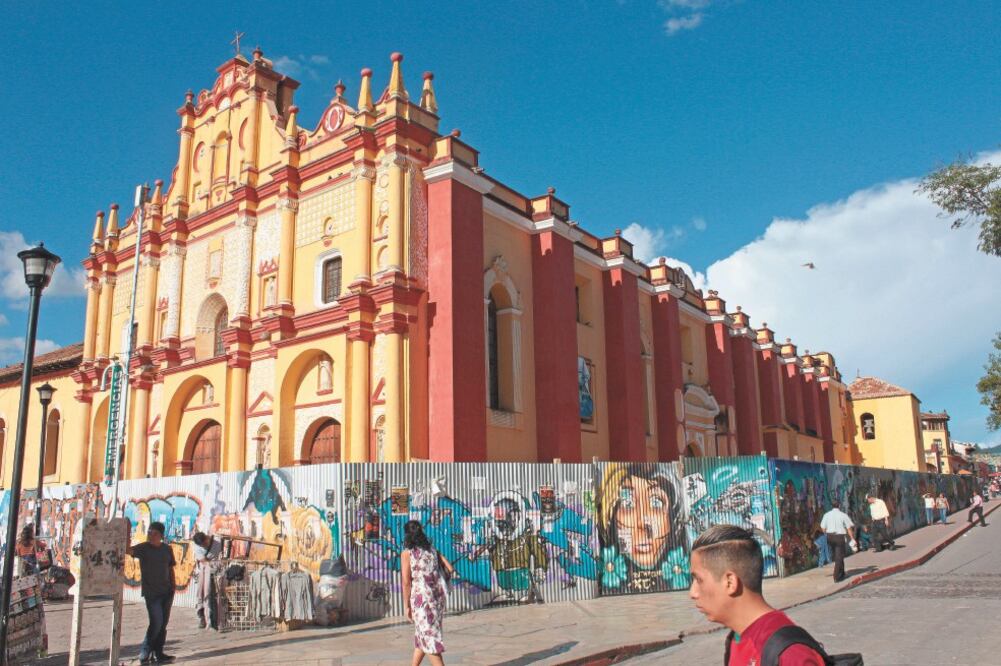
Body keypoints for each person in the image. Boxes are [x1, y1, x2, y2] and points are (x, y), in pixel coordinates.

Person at [688, 525, 826, 665]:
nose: (692, 593)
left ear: (730, 582)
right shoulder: (736, 637)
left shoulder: (790, 656)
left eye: (699, 580)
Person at [401, 520, 455, 666]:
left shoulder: (407, 554)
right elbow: (450, 568)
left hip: (421, 601)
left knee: (430, 641)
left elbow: (406, 582)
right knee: (422, 636)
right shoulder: (432, 550)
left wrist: (406, 606)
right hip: (437, 599)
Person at [126, 521, 176, 664]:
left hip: (167, 592)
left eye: (154, 533)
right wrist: (127, 531)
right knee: (156, 622)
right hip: (152, 594)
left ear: (161, 535)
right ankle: (145, 651)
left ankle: (158, 652)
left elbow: (171, 567)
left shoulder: (167, 549)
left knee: (163, 624)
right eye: (149, 532)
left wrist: (173, 586)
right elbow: (128, 551)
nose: (150, 535)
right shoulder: (143, 548)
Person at [819, 501, 856, 583]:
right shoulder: (843, 515)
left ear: (832, 506)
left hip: (830, 537)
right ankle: (836, 576)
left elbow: (822, 527)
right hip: (839, 537)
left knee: (838, 554)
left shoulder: (827, 515)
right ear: (839, 506)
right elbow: (849, 528)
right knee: (839, 556)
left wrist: (826, 533)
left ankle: (842, 572)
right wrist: (852, 538)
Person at [191, 531, 222, 629]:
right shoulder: (197, 547)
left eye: (204, 544)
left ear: (207, 538)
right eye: (202, 545)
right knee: (202, 594)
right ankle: (202, 616)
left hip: (217, 570)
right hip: (204, 572)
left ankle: (216, 618)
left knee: (217, 595)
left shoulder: (217, 540)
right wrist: (210, 564)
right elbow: (203, 561)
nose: (204, 546)